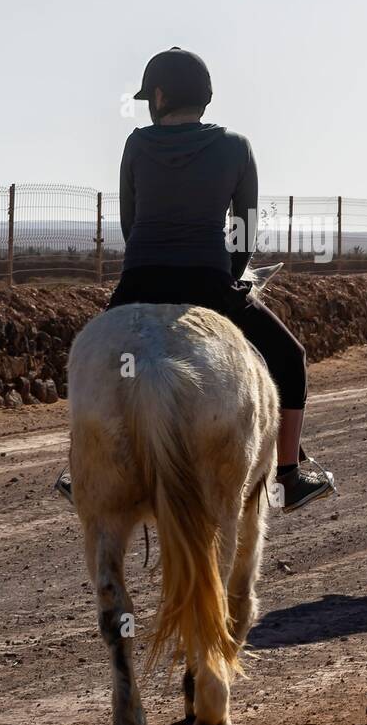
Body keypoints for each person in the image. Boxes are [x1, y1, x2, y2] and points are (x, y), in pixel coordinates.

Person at [106, 47, 332, 510]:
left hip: (138, 286)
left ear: (160, 96)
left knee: (96, 361)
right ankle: (288, 476)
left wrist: (150, 265)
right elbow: (244, 230)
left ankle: (86, 465)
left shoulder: (135, 143)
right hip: (208, 286)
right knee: (291, 357)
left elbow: (130, 225)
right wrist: (226, 278)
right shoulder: (235, 146)